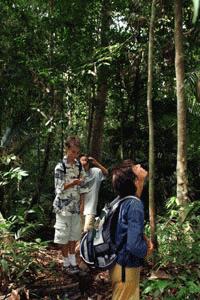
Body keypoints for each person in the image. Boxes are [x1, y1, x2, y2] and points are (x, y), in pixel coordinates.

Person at [110, 159, 154, 300]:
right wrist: (146, 250)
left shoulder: (121, 201)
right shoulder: (134, 205)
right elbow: (133, 245)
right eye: (136, 167)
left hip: (117, 265)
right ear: (135, 180)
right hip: (126, 269)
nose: (140, 166)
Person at [53, 136, 87, 274]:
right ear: (67, 149)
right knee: (63, 236)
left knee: (74, 236)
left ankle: (73, 263)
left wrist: (82, 204)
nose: (75, 155)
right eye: (72, 152)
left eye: (77, 152)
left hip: (75, 208)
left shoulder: (78, 165)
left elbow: (84, 185)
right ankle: (66, 264)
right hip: (63, 208)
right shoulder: (60, 167)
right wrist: (72, 183)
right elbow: (59, 188)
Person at [79, 154, 108, 232]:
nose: (83, 162)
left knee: (86, 232)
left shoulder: (95, 171)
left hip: (90, 210)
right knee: (77, 235)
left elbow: (106, 173)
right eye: (81, 160)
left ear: (88, 163)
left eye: (85, 160)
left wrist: (96, 163)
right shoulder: (77, 175)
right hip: (78, 210)